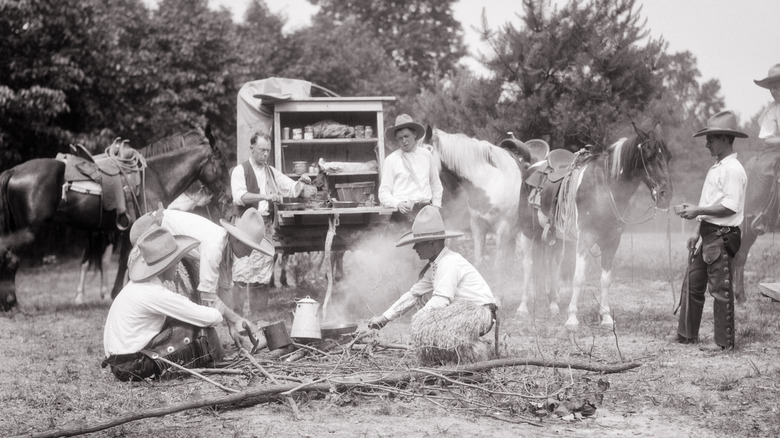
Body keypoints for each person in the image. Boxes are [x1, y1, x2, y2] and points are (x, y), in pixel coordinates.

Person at [103, 227, 242, 381]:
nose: (178, 265)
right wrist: (218, 310)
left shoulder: (137, 287)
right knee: (200, 329)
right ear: (166, 265)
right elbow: (210, 317)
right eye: (175, 261)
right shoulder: (154, 293)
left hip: (121, 364)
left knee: (183, 322)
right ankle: (216, 360)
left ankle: (213, 359)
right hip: (134, 365)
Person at [367, 206, 498, 364]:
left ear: (432, 244)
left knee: (425, 323)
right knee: (424, 323)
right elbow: (413, 295)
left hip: (478, 314)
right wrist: (384, 318)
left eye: (418, 243)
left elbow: (441, 300)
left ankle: (474, 357)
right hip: (462, 312)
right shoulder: (436, 265)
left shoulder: (448, 263)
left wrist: (420, 320)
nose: (415, 248)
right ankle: (445, 361)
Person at [129, 206, 274, 338]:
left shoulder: (227, 249)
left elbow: (225, 289)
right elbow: (207, 295)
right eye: (248, 249)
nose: (248, 255)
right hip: (150, 229)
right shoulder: (215, 246)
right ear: (237, 240)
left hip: (170, 238)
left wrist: (233, 327)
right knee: (158, 289)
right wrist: (237, 319)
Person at [673, 110, 748, 351]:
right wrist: (697, 230)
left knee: (720, 290)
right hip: (707, 233)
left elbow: (729, 207)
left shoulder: (733, 169)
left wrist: (697, 210)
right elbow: (709, 202)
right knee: (692, 284)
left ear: (726, 139)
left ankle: (723, 344)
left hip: (722, 234)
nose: (707, 144)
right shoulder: (717, 168)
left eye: (711, 138)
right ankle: (686, 334)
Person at [230, 129, 311, 316]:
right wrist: (265, 195)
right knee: (241, 272)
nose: (265, 154)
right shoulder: (240, 170)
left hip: (264, 225)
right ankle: (237, 319)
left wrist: (301, 181)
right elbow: (239, 197)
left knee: (262, 272)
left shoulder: (270, 172)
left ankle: (259, 317)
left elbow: (289, 187)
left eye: (268, 150)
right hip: (244, 224)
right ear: (251, 149)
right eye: (261, 150)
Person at [378, 114, 443, 222]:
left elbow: (436, 184)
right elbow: (383, 193)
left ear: (414, 134)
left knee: (431, 239)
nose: (404, 141)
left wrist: (436, 206)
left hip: (427, 211)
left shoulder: (426, 155)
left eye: (406, 136)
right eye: (400, 138)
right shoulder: (391, 160)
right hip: (402, 215)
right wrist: (397, 203)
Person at [754, 63, 780, 148]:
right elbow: (767, 138)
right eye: (770, 88)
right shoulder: (772, 109)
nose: (772, 91)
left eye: (775, 87)